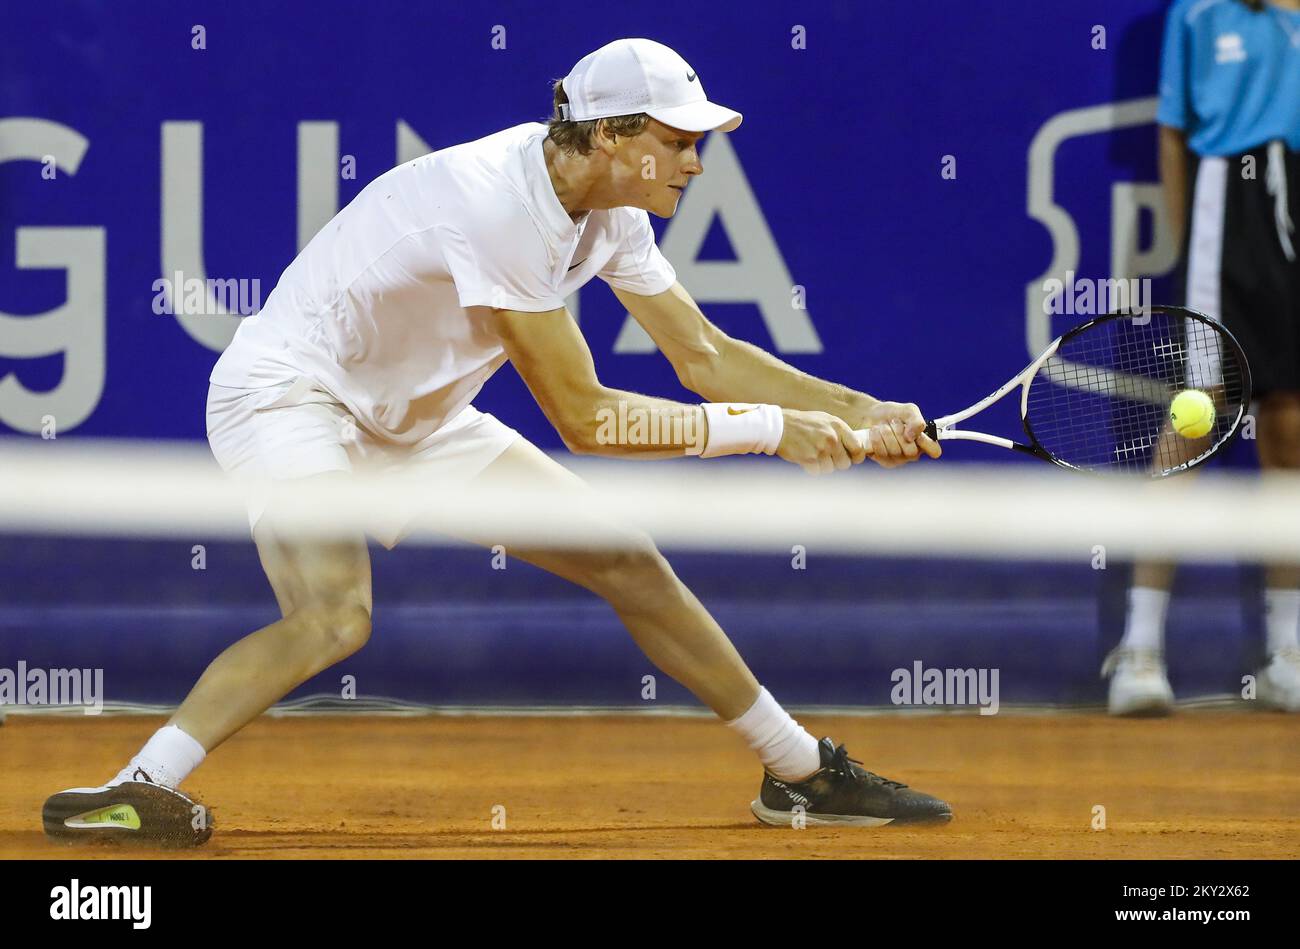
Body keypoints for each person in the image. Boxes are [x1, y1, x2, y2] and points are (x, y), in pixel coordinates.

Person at [42, 39, 949, 846]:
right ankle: (133, 786)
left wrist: (861, 410)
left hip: (419, 417)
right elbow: (585, 419)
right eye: (676, 142)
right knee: (334, 615)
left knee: (626, 560)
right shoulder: (497, 206)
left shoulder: (614, 213)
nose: (695, 163)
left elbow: (704, 356)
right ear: (607, 136)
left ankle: (798, 774)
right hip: (292, 397)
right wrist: (769, 433)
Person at [1105, 0, 1300, 715]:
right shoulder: (1200, 12)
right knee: (1194, 419)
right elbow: (1172, 134)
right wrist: (1192, 250)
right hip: (1232, 205)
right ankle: (1140, 651)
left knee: (1290, 427)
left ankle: (1287, 654)